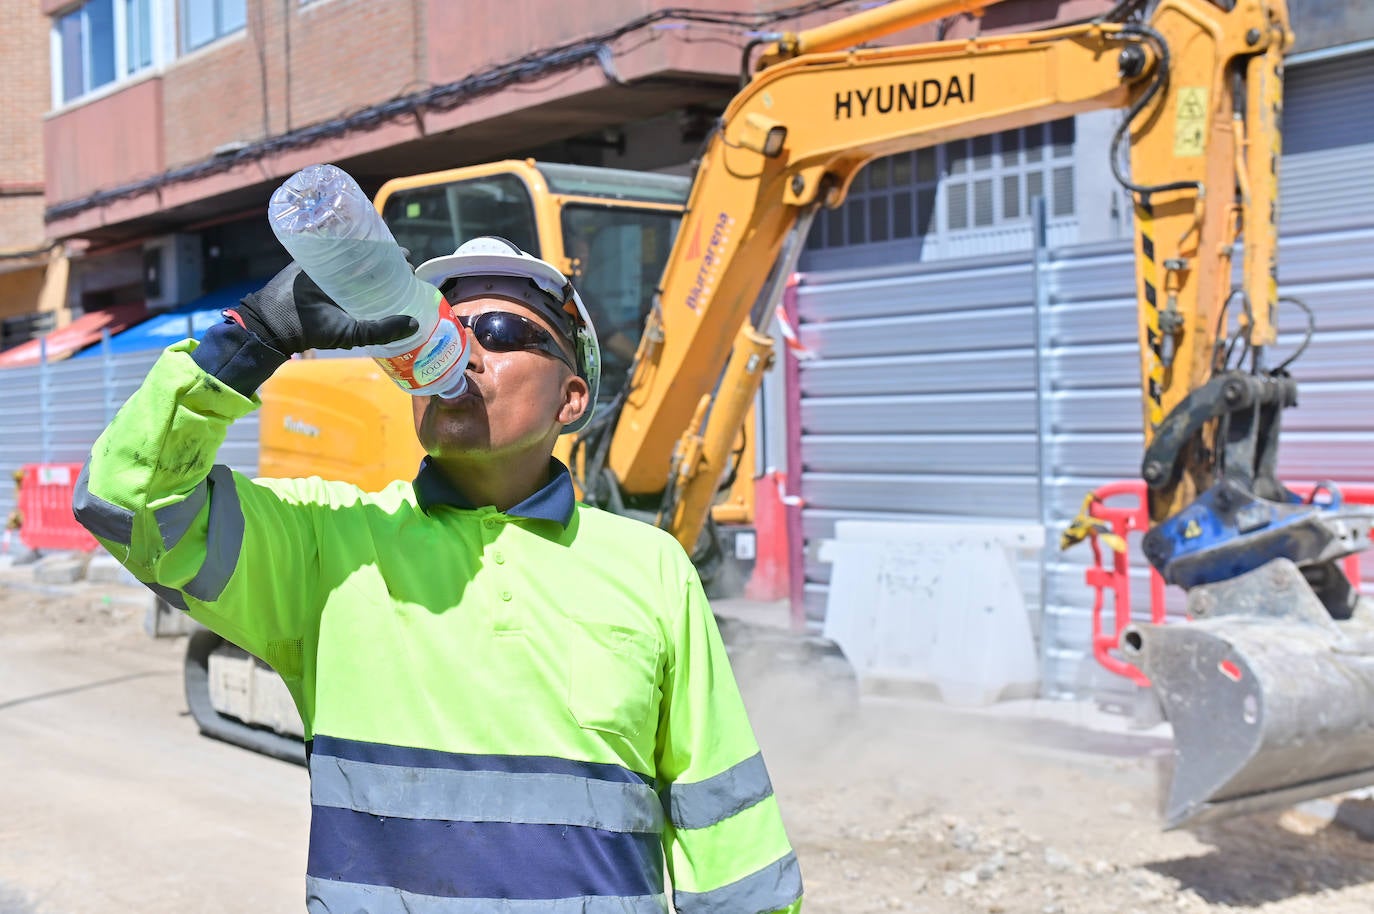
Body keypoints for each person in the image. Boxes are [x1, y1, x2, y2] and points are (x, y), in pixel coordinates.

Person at [73, 235, 804, 914]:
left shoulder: (650, 568)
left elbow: (730, 840)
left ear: (571, 399)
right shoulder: (328, 545)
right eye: (446, 333)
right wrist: (255, 335)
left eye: (504, 334)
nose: (466, 355)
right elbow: (124, 501)